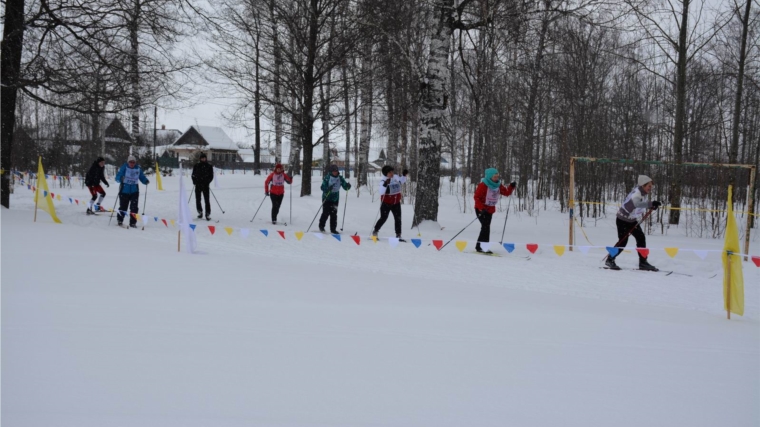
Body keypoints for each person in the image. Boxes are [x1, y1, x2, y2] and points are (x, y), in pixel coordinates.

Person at [605, 175, 662, 271]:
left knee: (641, 238)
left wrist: (651, 205)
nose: (650, 188)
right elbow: (636, 204)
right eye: (649, 186)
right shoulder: (637, 193)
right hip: (622, 220)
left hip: (631, 220)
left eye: (651, 186)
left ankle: (643, 262)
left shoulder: (642, 193)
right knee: (623, 241)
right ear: (643, 185)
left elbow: (639, 206)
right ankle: (610, 260)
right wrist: (651, 204)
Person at [473, 168, 516, 253]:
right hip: (480, 209)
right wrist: (481, 208)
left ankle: (480, 247)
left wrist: (511, 186)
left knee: (486, 227)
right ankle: (482, 247)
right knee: (485, 227)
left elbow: (506, 193)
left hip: (490, 209)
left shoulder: (498, 185)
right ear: (489, 177)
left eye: (497, 177)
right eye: (494, 177)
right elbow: (476, 197)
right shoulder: (483, 185)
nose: (496, 178)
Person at [372, 165, 408, 240]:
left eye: (392, 172)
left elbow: (402, 181)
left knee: (398, 219)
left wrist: (404, 175)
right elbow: (381, 192)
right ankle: (375, 231)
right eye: (389, 172)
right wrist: (385, 184)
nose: (392, 174)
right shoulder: (383, 180)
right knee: (383, 218)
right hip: (386, 202)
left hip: (396, 202)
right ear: (386, 173)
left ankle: (398, 235)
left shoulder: (395, 177)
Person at [115, 155, 149, 228]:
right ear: (128, 162)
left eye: (133, 162)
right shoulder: (124, 167)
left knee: (134, 208)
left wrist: (145, 181)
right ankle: (120, 220)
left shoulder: (138, 169)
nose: (132, 164)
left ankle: (133, 223)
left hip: (134, 191)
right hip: (124, 191)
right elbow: (117, 177)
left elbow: (141, 176)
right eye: (130, 162)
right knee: (123, 207)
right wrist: (121, 178)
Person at [318, 164, 351, 234]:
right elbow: (322, 187)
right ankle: (321, 226)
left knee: (334, 214)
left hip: (335, 199)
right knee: (325, 213)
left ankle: (333, 229)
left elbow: (345, 187)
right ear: (331, 171)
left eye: (336, 171)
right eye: (334, 171)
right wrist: (327, 188)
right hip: (326, 198)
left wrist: (348, 186)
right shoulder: (327, 177)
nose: (335, 172)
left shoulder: (340, 178)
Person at [191, 153, 214, 220]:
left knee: (207, 200)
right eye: (202, 158)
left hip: (205, 186)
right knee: (198, 200)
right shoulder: (196, 166)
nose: (203, 159)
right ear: (200, 159)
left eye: (204, 158)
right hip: (198, 185)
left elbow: (211, 176)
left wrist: (207, 182)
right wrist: (194, 182)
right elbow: (193, 175)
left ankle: (207, 214)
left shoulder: (209, 166)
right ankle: (200, 212)